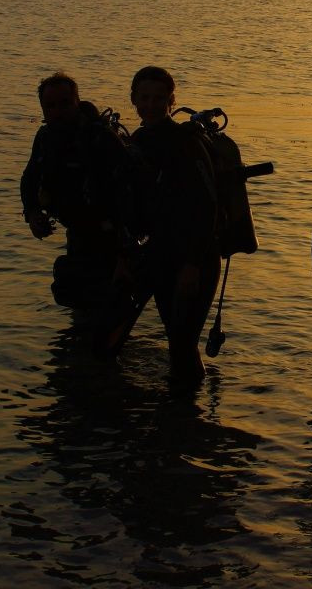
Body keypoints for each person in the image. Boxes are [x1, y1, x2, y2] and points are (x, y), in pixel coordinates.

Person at [123, 66, 221, 388]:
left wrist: (192, 265)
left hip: (196, 257)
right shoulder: (138, 141)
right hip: (162, 255)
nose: (151, 105)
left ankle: (187, 405)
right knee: (175, 337)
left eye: (159, 99)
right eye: (145, 98)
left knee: (182, 341)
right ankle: (182, 406)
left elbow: (206, 207)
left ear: (171, 101)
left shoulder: (186, 142)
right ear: (134, 99)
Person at [19, 73, 128, 310]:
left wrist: (124, 257)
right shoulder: (45, 138)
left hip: (113, 237)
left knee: (109, 305)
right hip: (79, 233)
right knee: (76, 299)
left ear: (77, 102)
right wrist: (33, 213)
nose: (58, 111)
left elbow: (129, 197)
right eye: (51, 106)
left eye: (65, 103)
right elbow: (30, 179)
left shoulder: (101, 139)